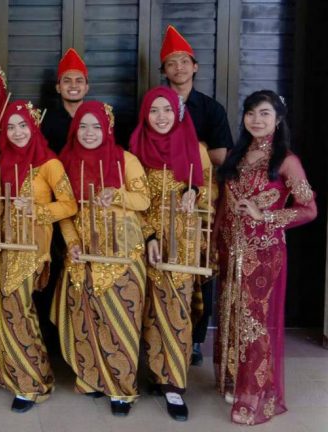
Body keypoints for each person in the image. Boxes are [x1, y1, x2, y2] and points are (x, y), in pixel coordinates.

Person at [215, 90, 316, 425]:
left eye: (264, 114)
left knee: (254, 322)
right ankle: (234, 381)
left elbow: (309, 209)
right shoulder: (238, 155)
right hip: (231, 250)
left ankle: (255, 393)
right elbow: (223, 205)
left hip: (264, 253)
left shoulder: (287, 160)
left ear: (278, 119)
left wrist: (267, 216)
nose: (256, 120)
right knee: (231, 315)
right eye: (250, 113)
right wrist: (215, 244)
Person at [53, 101, 150, 417]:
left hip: (123, 252)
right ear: (74, 129)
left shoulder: (125, 159)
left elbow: (144, 199)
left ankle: (122, 390)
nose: (89, 133)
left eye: (96, 126)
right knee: (85, 319)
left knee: (121, 322)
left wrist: (116, 194)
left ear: (107, 129)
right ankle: (92, 379)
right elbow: (65, 212)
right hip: (84, 251)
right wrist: (71, 242)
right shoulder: (66, 162)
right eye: (83, 126)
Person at [0, 100, 77, 413]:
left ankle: (34, 381)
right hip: (5, 243)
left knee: (17, 307)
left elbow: (69, 204)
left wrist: (37, 210)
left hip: (33, 244)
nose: (17, 132)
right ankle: (12, 372)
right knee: (2, 306)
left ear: (34, 127)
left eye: (23, 125)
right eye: (11, 127)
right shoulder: (3, 160)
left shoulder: (49, 163)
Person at [130, 86, 214, 421]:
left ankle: (175, 385)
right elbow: (134, 203)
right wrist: (149, 235)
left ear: (178, 113)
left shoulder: (196, 148)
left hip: (184, 244)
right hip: (148, 242)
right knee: (151, 310)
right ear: (145, 115)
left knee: (177, 309)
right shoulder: (136, 149)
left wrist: (194, 192)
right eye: (154, 110)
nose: (161, 116)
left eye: (167, 109)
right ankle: (156, 374)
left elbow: (210, 190)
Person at [160, 24, 234, 366]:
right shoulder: (156, 105)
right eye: (171, 63)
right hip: (164, 197)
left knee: (200, 266)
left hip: (201, 198)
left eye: (184, 61)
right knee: (165, 262)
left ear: (195, 67)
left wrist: (193, 149)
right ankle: (163, 334)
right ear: (164, 70)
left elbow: (220, 157)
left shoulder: (210, 109)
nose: (178, 67)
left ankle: (195, 339)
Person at [42, 48, 90, 154]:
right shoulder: (46, 121)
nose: (73, 85)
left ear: (86, 88)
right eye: (67, 81)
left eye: (79, 81)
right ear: (58, 88)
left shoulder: (96, 119)